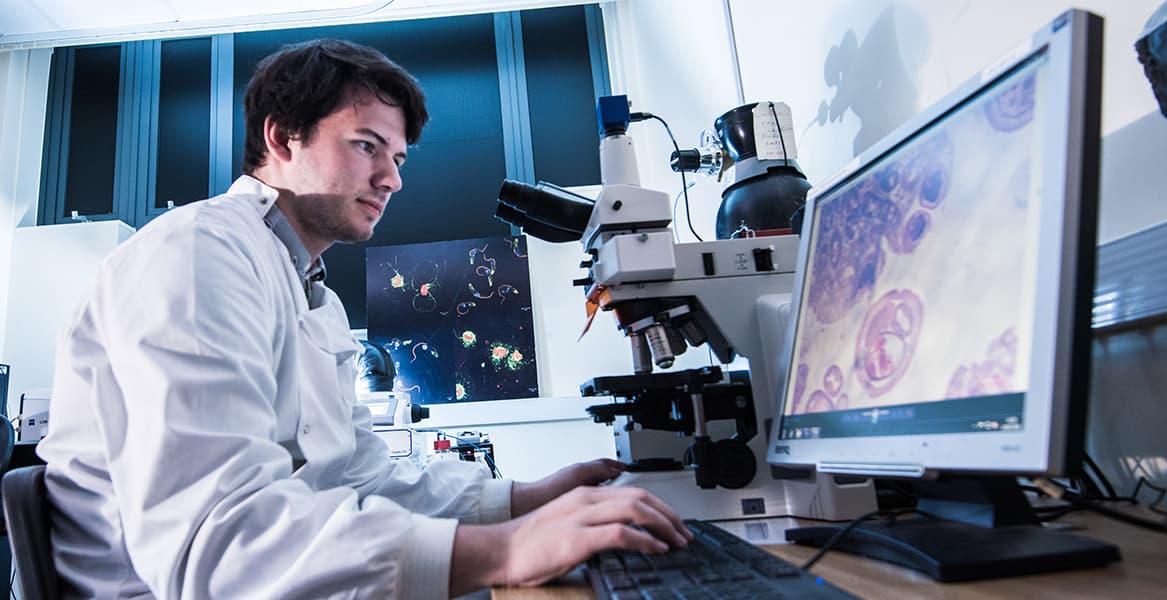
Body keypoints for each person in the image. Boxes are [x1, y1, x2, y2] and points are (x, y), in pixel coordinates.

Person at [38, 38, 691, 599]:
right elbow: (222, 546)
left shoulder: (314, 294)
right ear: (282, 137)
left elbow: (362, 476)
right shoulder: (197, 257)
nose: (391, 179)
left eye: (397, 158)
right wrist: (508, 548)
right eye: (366, 145)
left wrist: (527, 498)